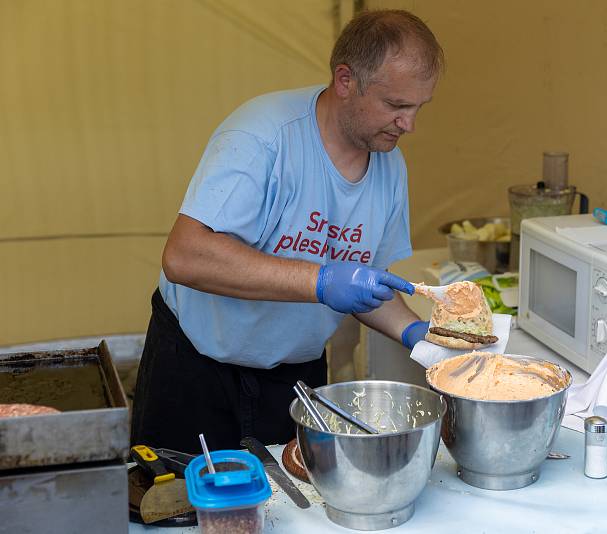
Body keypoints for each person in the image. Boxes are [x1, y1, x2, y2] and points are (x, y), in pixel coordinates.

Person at [131, 9, 443, 453]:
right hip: (198, 370)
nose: (409, 124)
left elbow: (366, 283)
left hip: (295, 378)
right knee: (179, 510)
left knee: (294, 515)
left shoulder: (390, 165)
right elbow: (185, 256)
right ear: (345, 80)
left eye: (417, 108)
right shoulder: (263, 137)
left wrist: (419, 338)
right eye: (396, 105)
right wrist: (319, 280)